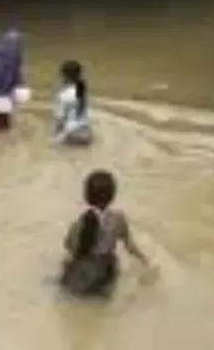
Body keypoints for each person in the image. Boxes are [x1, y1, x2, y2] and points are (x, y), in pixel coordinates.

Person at [59, 169, 151, 297]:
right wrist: (144, 260)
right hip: (105, 271)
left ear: (86, 196)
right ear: (112, 196)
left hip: (81, 273)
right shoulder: (119, 219)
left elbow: (69, 246)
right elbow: (130, 246)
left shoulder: (79, 222)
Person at [52, 60, 92, 146]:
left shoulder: (64, 95)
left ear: (65, 76)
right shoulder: (82, 90)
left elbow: (59, 119)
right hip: (86, 132)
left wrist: (55, 135)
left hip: (72, 135)